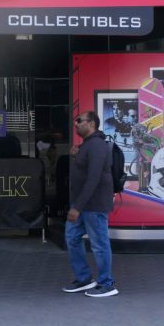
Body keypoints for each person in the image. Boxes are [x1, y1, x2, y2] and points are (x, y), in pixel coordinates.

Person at [62, 110, 118, 298]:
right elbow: (83, 172)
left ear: (92, 123)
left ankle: (107, 284)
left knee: (99, 244)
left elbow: (94, 178)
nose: (76, 124)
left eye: (79, 120)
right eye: (75, 121)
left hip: (94, 205)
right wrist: (74, 158)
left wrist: (77, 207)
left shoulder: (97, 146)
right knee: (72, 237)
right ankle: (84, 278)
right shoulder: (87, 145)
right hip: (83, 204)